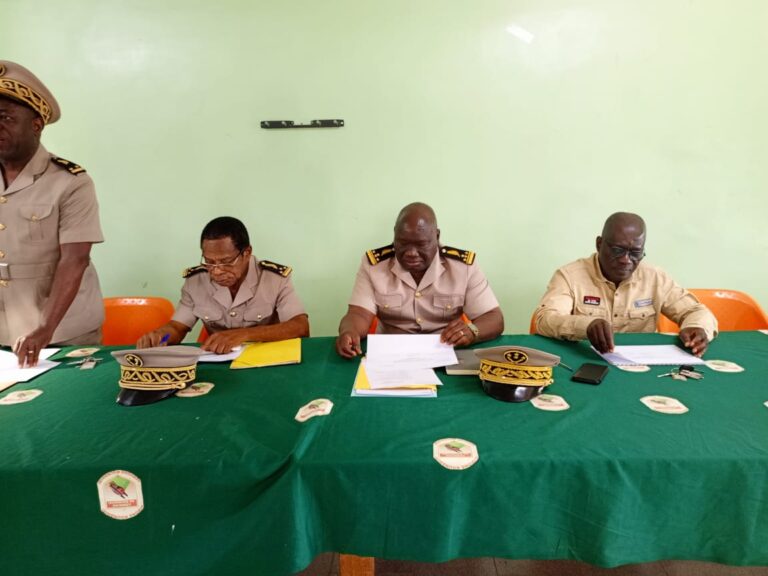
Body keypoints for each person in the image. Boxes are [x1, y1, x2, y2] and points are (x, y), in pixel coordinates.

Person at [0, 60, 104, 367]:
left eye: (5, 118)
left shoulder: (71, 182)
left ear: (36, 125)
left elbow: (75, 260)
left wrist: (45, 327)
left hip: (62, 331)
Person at [534, 212, 717, 356]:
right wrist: (586, 326)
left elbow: (696, 311)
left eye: (635, 253)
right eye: (617, 250)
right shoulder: (569, 276)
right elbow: (545, 320)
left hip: (640, 366)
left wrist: (697, 328)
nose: (625, 260)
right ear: (599, 244)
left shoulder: (655, 278)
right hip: (585, 360)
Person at [336, 202, 504, 358]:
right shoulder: (374, 266)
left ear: (437, 236)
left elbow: (493, 318)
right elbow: (359, 314)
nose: (411, 253)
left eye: (421, 244)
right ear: (394, 234)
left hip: (447, 352)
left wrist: (472, 331)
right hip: (391, 355)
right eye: (403, 243)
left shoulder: (463, 267)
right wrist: (349, 332)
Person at [138, 216, 309, 353]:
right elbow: (177, 328)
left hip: (266, 360)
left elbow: (300, 327)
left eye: (226, 262)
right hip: (221, 361)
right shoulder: (195, 282)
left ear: (247, 253)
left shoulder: (274, 279)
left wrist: (244, 335)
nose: (217, 271)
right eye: (209, 262)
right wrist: (161, 337)